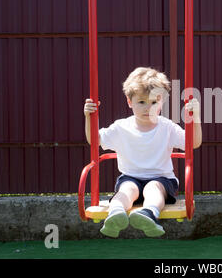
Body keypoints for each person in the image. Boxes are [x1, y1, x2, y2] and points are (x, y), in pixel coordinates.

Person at [84, 67, 202, 238]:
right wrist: (89, 117)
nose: (148, 108)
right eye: (141, 102)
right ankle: (115, 214)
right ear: (129, 101)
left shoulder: (167, 127)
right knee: (126, 188)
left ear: (162, 101)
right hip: (131, 177)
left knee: (153, 188)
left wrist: (195, 116)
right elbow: (95, 141)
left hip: (162, 179)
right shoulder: (121, 127)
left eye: (154, 102)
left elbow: (194, 143)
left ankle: (149, 213)